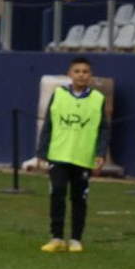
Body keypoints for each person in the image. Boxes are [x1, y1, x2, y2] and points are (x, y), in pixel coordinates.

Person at [36, 57, 107, 253]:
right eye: (77, 71)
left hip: (83, 156)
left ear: (90, 75)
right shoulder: (58, 94)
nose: (81, 75)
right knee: (57, 193)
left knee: (79, 198)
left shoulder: (97, 98)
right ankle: (56, 237)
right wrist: (42, 152)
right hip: (59, 154)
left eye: (85, 71)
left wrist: (100, 153)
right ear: (69, 73)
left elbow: (102, 129)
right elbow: (49, 124)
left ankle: (76, 239)